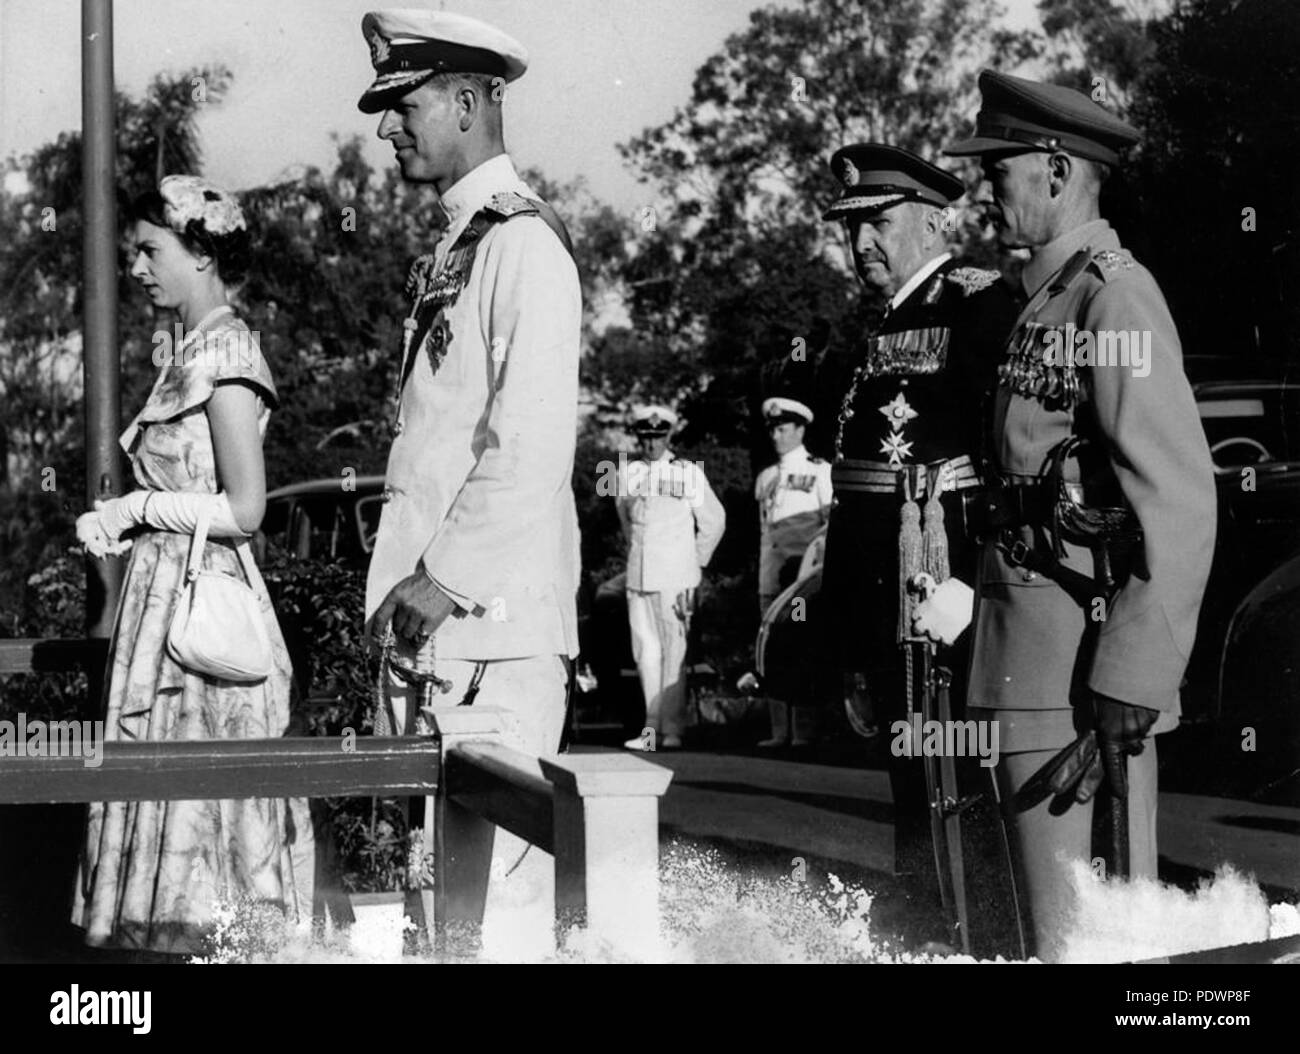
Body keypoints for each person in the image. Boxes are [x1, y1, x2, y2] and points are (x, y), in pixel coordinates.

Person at [943, 70, 1216, 961]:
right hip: (1023, 668)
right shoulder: (1044, 301)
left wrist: (1134, 679)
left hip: (1080, 684)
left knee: (1091, 951)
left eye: (1001, 168)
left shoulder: (1112, 296)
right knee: (1036, 940)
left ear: (1056, 172)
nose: (987, 186)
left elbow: (1175, 496)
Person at [356, 9, 581, 958]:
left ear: (465, 99)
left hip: (486, 626)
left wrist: (441, 580)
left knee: (504, 923)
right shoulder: (463, 244)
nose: (386, 127)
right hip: (442, 630)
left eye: (402, 104)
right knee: (440, 913)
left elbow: (527, 448)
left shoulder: (522, 245)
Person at [72, 175, 313, 955]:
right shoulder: (191, 351)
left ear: (202, 252)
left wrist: (139, 510)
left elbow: (248, 508)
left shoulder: (230, 351)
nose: (137, 267)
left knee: (213, 825)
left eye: (151, 250)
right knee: (171, 816)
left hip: (206, 613)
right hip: (162, 601)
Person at [817, 144, 1018, 888]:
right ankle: (930, 924)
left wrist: (979, 582)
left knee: (957, 777)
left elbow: (1009, 460)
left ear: (933, 222)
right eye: (850, 226)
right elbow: (860, 483)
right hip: (882, 596)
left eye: (878, 221)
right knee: (910, 775)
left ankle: (977, 934)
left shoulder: (979, 302)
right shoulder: (882, 321)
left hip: (944, 590)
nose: (861, 242)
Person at [617, 405, 726, 751]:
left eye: (658, 437)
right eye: (645, 438)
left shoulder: (688, 473)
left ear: (669, 436)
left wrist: (693, 565)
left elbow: (714, 521)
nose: (651, 445)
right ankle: (651, 730)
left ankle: (673, 728)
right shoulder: (628, 473)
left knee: (674, 652)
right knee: (645, 652)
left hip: (675, 577)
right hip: (639, 575)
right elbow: (625, 521)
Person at [753, 396, 832, 747]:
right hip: (771, 577)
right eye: (773, 429)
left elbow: (828, 528)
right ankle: (778, 730)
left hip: (801, 582)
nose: (776, 436)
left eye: (783, 429)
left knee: (799, 646)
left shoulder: (819, 471)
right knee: (770, 649)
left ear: (800, 429)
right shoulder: (767, 477)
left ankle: (804, 731)